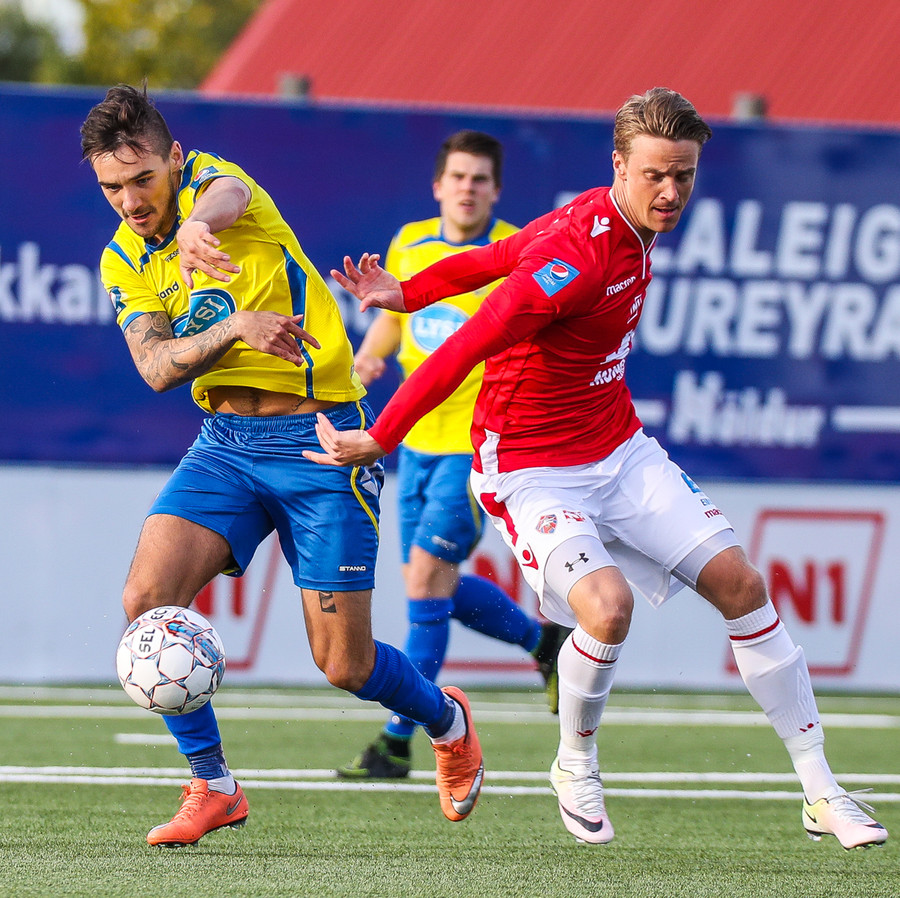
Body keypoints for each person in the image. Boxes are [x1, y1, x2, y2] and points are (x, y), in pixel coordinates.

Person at [305, 87, 889, 850]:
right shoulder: (576, 257)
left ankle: (822, 792)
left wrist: (410, 291)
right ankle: (574, 764)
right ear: (619, 165)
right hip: (528, 465)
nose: (670, 192)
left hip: (617, 446)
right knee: (607, 610)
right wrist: (381, 436)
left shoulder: (615, 218)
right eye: (655, 175)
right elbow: (466, 347)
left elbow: (498, 255)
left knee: (743, 586)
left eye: (683, 175)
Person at [80, 83, 484, 847]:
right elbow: (156, 367)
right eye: (111, 188)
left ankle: (446, 719)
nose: (130, 202)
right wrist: (233, 327)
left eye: (143, 179)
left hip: (321, 441)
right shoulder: (122, 258)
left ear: (175, 159)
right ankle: (213, 786)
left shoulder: (221, 189)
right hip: (225, 447)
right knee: (146, 600)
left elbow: (224, 197)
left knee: (345, 665)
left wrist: (196, 224)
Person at [338, 131, 570, 780]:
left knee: (423, 583)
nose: (468, 188)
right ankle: (542, 641)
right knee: (431, 588)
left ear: (496, 191)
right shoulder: (410, 243)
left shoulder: (518, 252)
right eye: (458, 177)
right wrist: (371, 354)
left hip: (474, 449)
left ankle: (398, 740)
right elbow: (396, 315)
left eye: (480, 179)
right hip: (411, 444)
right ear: (438, 186)